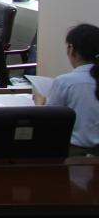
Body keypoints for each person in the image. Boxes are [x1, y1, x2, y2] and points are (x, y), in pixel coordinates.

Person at [40, 24, 99, 155]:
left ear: (71, 48)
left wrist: (40, 103)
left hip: (76, 152)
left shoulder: (65, 82)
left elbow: (49, 120)